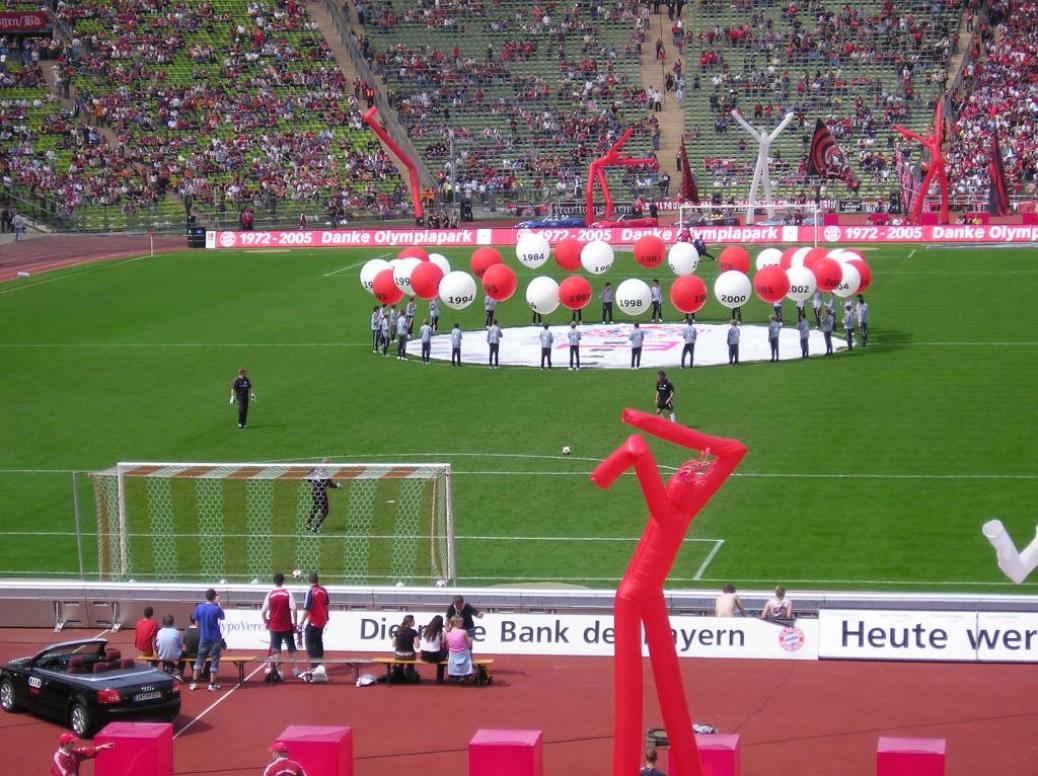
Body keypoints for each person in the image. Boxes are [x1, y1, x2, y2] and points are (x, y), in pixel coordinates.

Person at [262, 573, 298, 683]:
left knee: (276, 649)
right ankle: (295, 669)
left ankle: (280, 671)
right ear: (283, 581)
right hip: (286, 625)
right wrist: (295, 623)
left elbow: (263, 611)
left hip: (274, 626)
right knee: (291, 648)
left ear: (274, 582)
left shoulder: (270, 594)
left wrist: (266, 621)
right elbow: (294, 609)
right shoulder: (288, 593)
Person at [190, 588, 224, 691]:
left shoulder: (199, 607)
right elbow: (222, 617)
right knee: (214, 660)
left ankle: (195, 682)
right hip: (215, 638)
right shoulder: (216, 608)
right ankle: (212, 684)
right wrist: (218, 603)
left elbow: (195, 620)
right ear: (214, 597)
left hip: (204, 637)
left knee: (199, 659)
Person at [299, 573, 329, 670]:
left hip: (313, 621)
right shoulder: (323, 590)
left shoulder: (311, 591)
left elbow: (307, 608)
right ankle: (320, 663)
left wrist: (301, 621)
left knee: (309, 642)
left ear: (309, 581)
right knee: (318, 641)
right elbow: (326, 604)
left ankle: (315, 665)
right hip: (322, 620)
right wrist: (327, 616)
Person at [306, 458, 342, 533]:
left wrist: (315, 483)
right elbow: (330, 484)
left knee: (315, 507)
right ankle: (316, 527)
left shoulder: (314, 468)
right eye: (328, 464)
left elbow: (308, 478)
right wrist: (338, 487)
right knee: (325, 511)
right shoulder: (325, 473)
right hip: (321, 493)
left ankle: (308, 524)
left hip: (314, 491)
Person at [391, 614, 420, 682]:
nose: (414, 622)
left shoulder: (397, 631)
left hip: (398, 655)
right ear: (409, 622)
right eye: (413, 621)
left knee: (399, 657)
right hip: (410, 655)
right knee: (410, 659)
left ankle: (399, 674)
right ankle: (410, 674)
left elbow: (393, 645)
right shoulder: (413, 632)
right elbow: (417, 646)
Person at [445, 615, 473, 682]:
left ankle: (455, 674)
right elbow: (469, 646)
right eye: (460, 621)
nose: (462, 622)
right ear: (456, 622)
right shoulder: (464, 632)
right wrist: (471, 641)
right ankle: (466, 674)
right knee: (469, 649)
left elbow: (447, 647)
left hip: (453, 655)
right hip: (464, 654)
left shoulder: (447, 634)